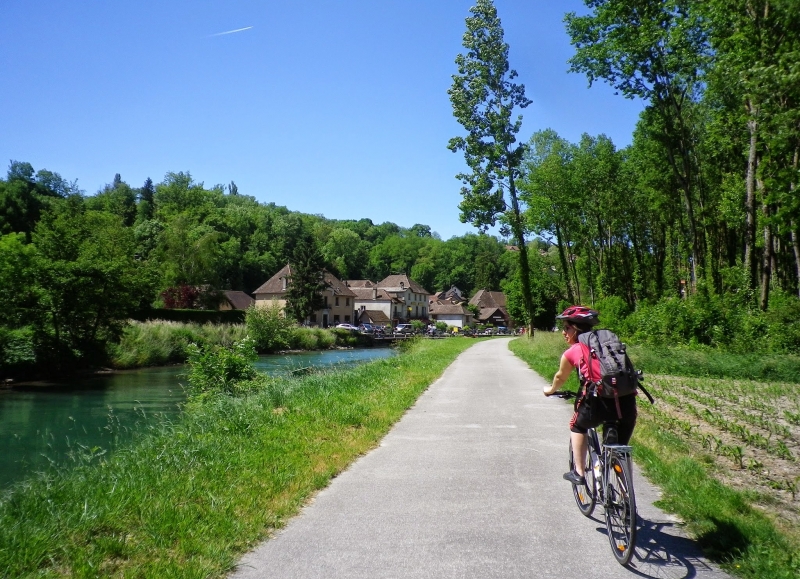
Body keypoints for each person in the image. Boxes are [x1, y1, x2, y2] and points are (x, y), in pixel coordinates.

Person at [542, 305, 637, 485]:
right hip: (626, 403)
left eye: (566, 328)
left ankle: (579, 472)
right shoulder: (608, 345)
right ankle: (625, 495)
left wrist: (550, 390)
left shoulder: (574, 350)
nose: (563, 333)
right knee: (620, 451)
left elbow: (560, 377)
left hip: (597, 405)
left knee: (577, 426)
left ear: (575, 328)